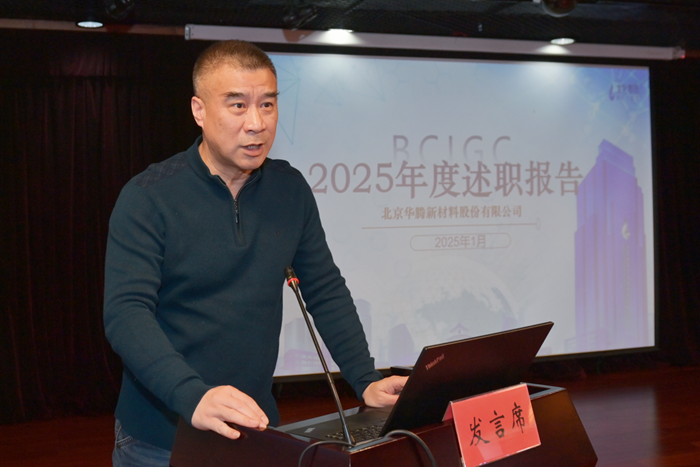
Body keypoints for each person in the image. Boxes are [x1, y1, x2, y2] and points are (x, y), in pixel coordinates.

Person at [103, 40, 407, 466]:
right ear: (199, 110)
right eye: (237, 106)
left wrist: (365, 379)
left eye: (267, 104)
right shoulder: (148, 196)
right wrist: (192, 395)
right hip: (160, 439)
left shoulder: (289, 189)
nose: (257, 123)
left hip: (256, 431)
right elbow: (126, 313)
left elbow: (324, 290)